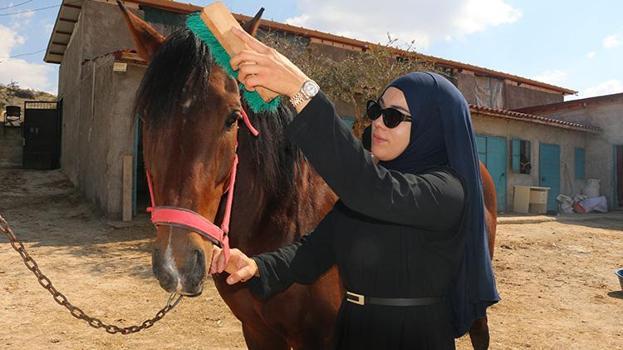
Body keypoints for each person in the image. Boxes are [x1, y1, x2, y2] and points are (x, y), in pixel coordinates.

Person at [210, 27, 499, 349]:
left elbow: (372, 189)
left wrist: (301, 91)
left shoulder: (446, 191)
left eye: (393, 117)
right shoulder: (372, 188)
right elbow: (314, 251)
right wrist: (255, 265)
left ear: (433, 128)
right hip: (351, 333)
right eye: (376, 110)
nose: (377, 121)